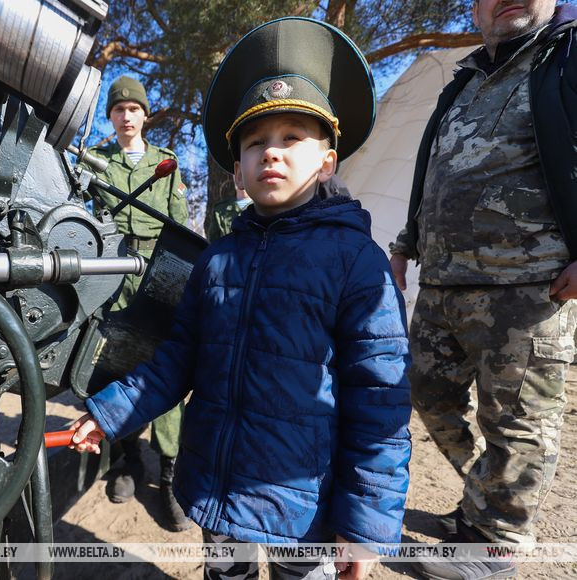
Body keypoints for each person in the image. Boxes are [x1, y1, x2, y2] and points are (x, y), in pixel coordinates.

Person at [71, 18, 411, 580]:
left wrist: (365, 523)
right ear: (237, 172)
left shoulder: (358, 263)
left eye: (291, 138)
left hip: (304, 504)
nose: (271, 154)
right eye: (255, 143)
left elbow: (380, 403)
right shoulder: (217, 259)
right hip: (215, 486)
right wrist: (107, 413)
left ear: (327, 160)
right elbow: (177, 359)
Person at [389, 1, 577, 578]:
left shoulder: (568, 57)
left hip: (529, 290)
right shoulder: (465, 79)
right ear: (475, 9)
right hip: (443, 281)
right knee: (426, 393)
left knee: (520, 424)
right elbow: (432, 169)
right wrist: (404, 244)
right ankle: (483, 500)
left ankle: (494, 545)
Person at [83, 75, 191, 531]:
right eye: (118, 110)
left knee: (162, 366)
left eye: (133, 109)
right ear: (111, 116)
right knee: (110, 364)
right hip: (109, 269)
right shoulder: (97, 164)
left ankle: (169, 475)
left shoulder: (164, 162)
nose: (126, 116)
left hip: (156, 270)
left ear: (145, 115)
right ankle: (129, 460)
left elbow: (181, 227)